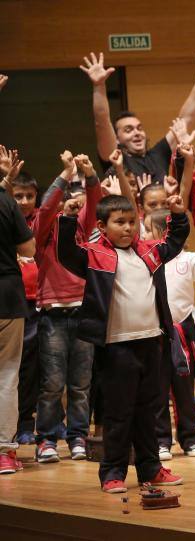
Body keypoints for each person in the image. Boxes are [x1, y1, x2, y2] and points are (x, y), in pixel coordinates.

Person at [55, 153, 187, 493]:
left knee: (148, 411)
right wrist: (68, 218)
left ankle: (150, 469)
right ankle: (113, 472)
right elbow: (66, 253)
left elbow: (174, 241)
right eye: (119, 222)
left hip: (151, 342)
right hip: (117, 347)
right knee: (118, 413)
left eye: (131, 222)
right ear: (102, 227)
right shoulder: (95, 255)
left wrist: (177, 213)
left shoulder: (149, 251)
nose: (128, 228)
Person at [33, 152, 100, 464]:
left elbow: (95, 203)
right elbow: (47, 208)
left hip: (82, 314)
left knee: (81, 384)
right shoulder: (43, 232)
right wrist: (66, 173)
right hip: (53, 317)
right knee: (52, 384)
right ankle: (46, 439)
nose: (73, 203)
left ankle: (77, 437)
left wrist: (90, 175)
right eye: (67, 200)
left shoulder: (82, 231)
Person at [148, 208, 195, 461]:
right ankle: (161, 441)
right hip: (157, 333)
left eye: (148, 229)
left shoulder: (187, 259)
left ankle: (190, 439)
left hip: (183, 335)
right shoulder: (149, 259)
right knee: (158, 391)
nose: (145, 234)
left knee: (184, 392)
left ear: (162, 232)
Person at [80, 52, 195, 182]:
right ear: (117, 139)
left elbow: (185, 120)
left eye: (139, 128)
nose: (137, 133)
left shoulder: (158, 154)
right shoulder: (115, 158)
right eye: (128, 130)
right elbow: (102, 122)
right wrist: (99, 86)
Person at [0, 170, 35, 475]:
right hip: (7, 295)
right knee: (7, 375)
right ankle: (4, 453)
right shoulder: (6, 202)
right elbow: (28, 249)